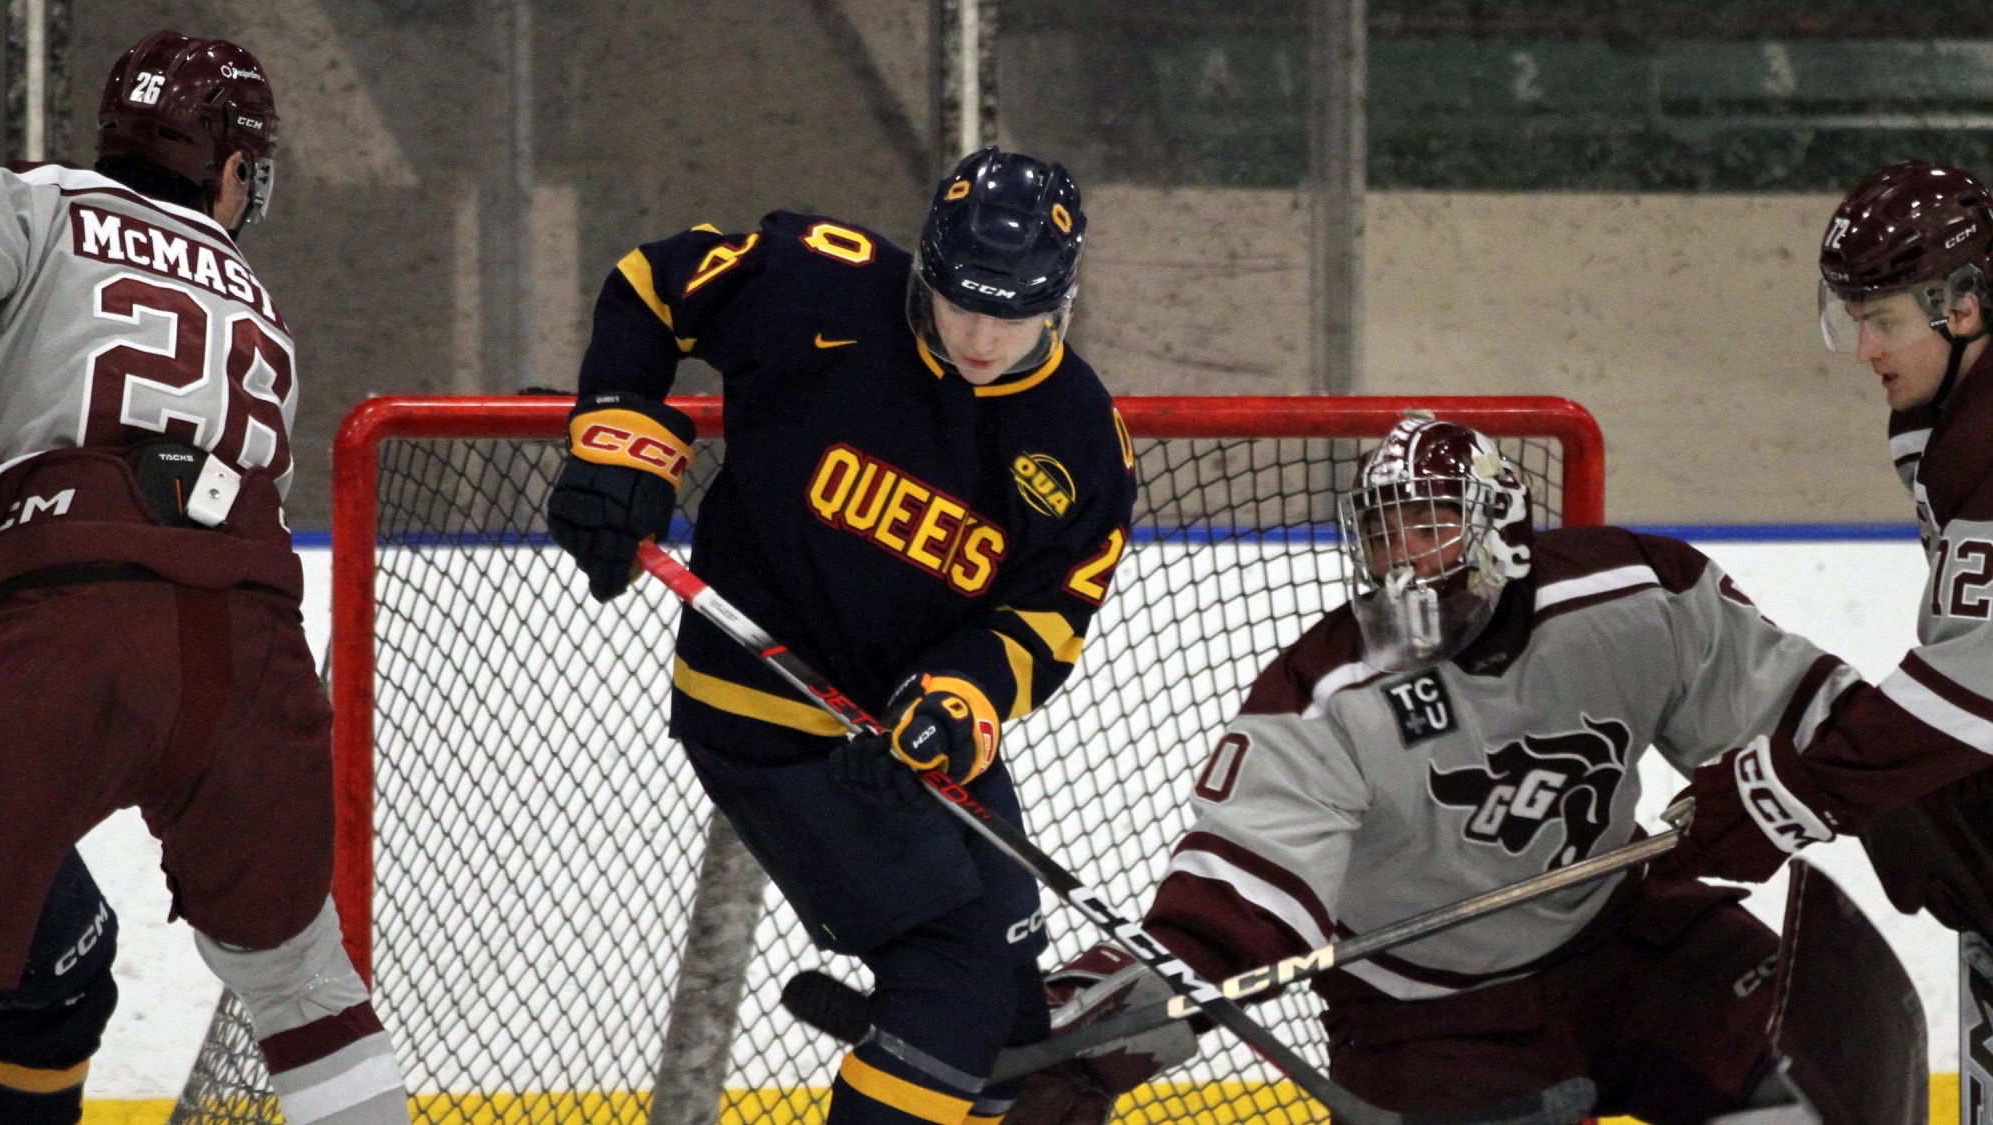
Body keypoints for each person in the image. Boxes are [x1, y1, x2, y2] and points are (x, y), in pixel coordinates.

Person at [1004, 413, 1983, 1125]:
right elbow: (1218, 924)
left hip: (1628, 941)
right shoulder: (1319, 698)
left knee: (1807, 1084)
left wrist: (1916, 807)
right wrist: (1094, 1044)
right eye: (1381, 531)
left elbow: (1809, 719)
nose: (1399, 560)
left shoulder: (1636, 595)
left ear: (1499, 530)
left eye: (1425, 524)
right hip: (1425, 1015)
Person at [546, 147, 1137, 1124]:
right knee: (954, 977)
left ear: (1060, 302)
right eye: (961, 304)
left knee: (1017, 1029)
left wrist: (961, 694)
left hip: (916, 740)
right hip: (769, 718)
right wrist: (620, 430)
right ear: (926, 268)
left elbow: (1043, 619)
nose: (982, 336)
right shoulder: (818, 282)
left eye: (1012, 313)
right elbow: (651, 286)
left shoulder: (1079, 437)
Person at [0, 30, 410, 1125]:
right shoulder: (259, 309)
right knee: (308, 993)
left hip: (65, 616)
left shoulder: (38, 205)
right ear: (234, 169)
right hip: (250, 634)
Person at [1813, 159, 1993, 943]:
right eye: (1854, 320)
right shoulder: (1938, 424)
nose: (1864, 352)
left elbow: (1971, 685)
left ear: (1964, 304)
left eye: (1883, 321)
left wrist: (1799, 786)